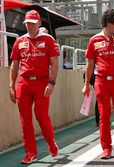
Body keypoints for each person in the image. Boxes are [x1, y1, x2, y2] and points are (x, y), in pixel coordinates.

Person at [82, 9, 114, 159]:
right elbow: (90, 64)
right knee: (104, 115)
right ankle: (106, 147)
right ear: (108, 24)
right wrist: (86, 84)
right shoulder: (94, 40)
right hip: (101, 81)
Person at [9, 10, 59, 164]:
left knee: (41, 115)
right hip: (23, 83)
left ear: (39, 23)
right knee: (25, 119)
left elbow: (55, 63)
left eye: (32, 23)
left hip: (42, 82)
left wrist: (51, 83)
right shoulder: (20, 41)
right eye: (27, 24)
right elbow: (14, 64)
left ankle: (51, 143)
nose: (29, 26)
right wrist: (11, 85)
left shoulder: (48, 40)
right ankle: (31, 152)